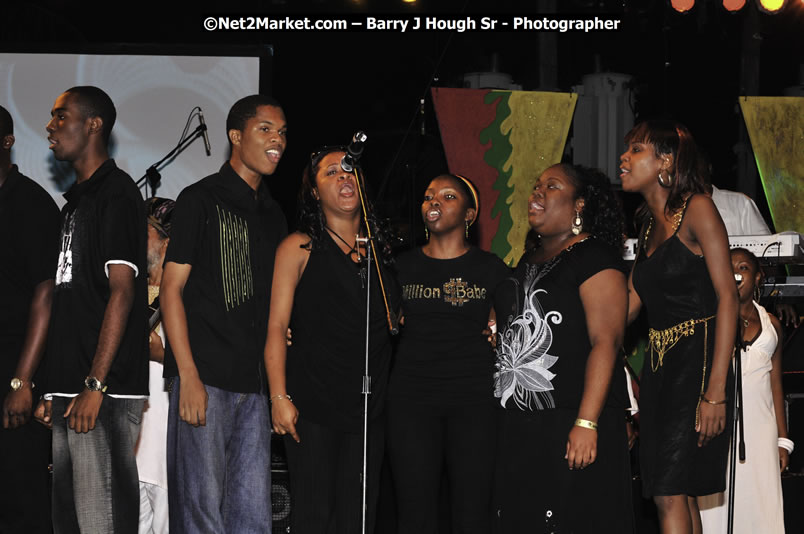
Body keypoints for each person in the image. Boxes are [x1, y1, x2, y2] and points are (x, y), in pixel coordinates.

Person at [161, 94, 287, 533]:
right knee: (200, 514)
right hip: (206, 380)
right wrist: (188, 376)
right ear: (236, 135)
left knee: (252, 518)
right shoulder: (199, 198)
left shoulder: (274, 214)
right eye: (266, 129)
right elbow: (171, 292)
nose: (278, 139)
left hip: (254, 388)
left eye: (282, 132)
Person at [493, 163, 634, 533]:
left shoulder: (594, 256)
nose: (536, 192)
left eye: (551, 187)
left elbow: (607, 341)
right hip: (523, 421)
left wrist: (586, 422)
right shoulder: (528, 260)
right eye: (536, 185)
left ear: (579, 205)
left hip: (570, 416)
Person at [35, 86, 149, 533]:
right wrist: (52, 387)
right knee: (71, 521)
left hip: (102, 390)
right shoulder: (77, 202)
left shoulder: (116, 194)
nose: (50, 126)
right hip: (72, 387)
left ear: (94, 124)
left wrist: (95, 384)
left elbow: (123, 292)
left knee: (98, 519)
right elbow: (72, 301)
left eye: (61, 116)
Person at [265, 146, 393, 533]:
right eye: (331, 172)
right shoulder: (298, 247)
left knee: (358, 519)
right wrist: (278, 397)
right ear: (315, 192)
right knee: (314, 518)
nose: (343, 176)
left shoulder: (382, 252)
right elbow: (275, 327)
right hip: (313, 406)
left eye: (350, 169)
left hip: (368, 410)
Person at [621, 119, 738, 534]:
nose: (624, 157)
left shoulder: (698, 208)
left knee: (671, 491)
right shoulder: (648, 225)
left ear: (665, 161)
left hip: (700, 363)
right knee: (673, 492)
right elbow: (630, 304)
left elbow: (728, 297)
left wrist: (717, 393)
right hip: (659, 368)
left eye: (636, 150)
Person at [386, 173, 509, 533]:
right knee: (414, 510)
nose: (433, 201)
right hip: (411, 400)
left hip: (474, 402)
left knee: (472, 511)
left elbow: (510, 326)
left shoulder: (492, 269)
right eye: (427, 196)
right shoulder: (399, 268)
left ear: (469, 215)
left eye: (448, 196)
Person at [697, 248, 790, 533]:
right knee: (717, 506)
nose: (736, 273)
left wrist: (783, 440)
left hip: (760, 431)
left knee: (761, 505)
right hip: (718, 426)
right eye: (730, 266)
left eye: (744, 268)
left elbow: (776, 384)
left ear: (759, 277)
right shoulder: (709, 322)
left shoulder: (772, 325)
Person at [0, 104, 60, 533]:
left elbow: (46, 293)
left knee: (20, 493)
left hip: (15, 364)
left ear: (7, 141)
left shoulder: (31, 204)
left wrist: (22, 381)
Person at [135, 197, 175, 534]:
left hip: (167, 451)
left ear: (166, 240)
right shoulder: (129, 291)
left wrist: (161, 353)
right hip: (131, 446)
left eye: (143, 231)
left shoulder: (187, 294)